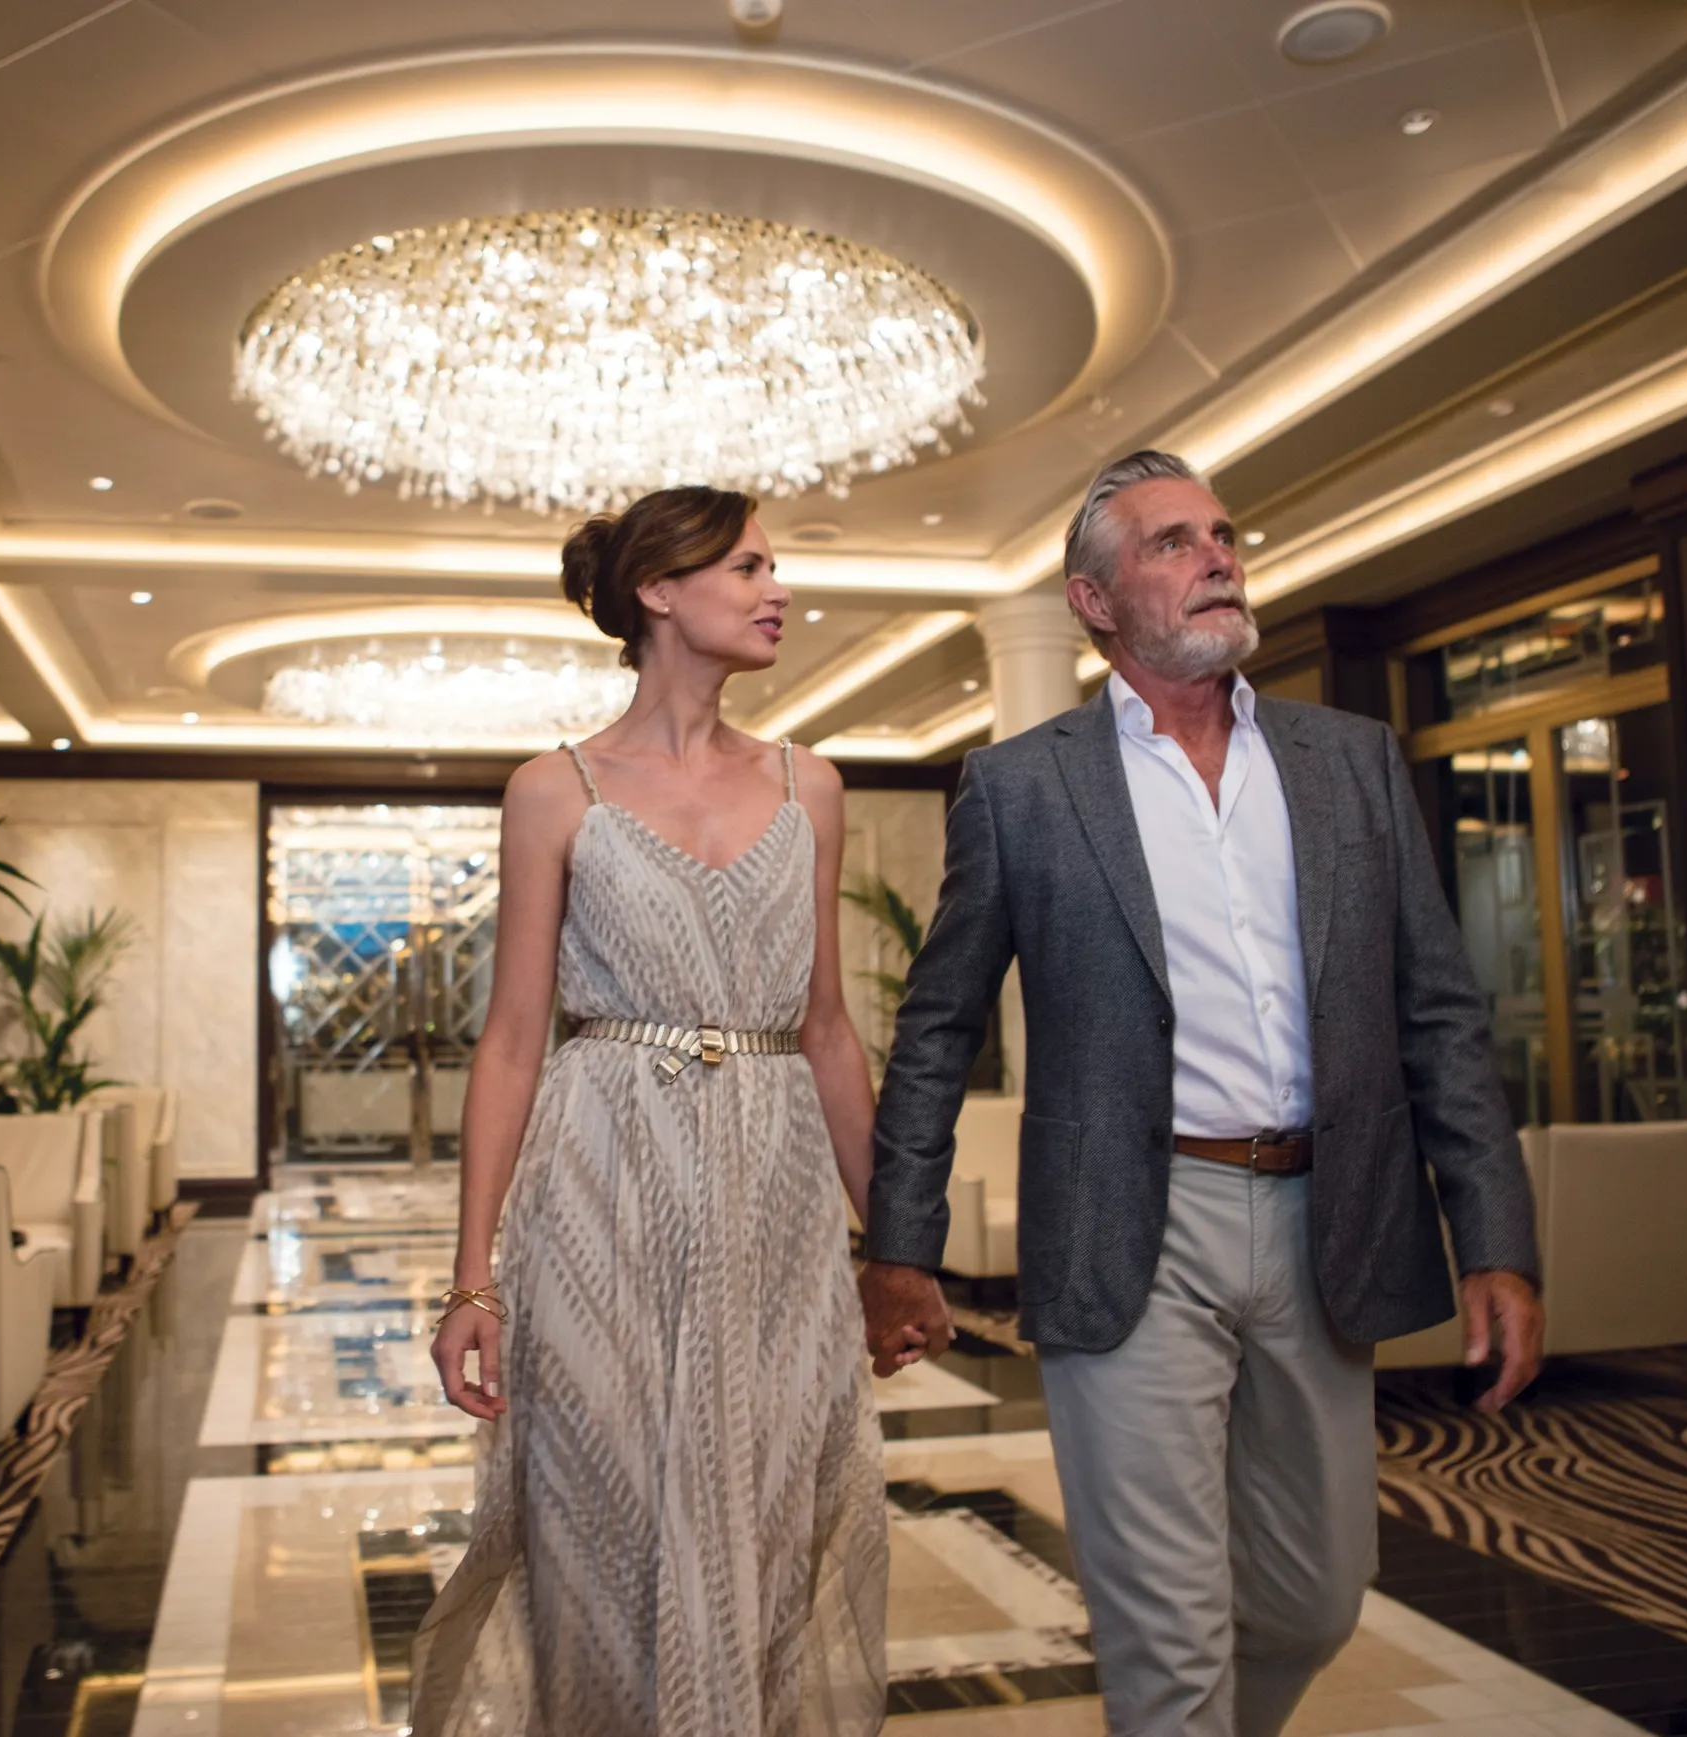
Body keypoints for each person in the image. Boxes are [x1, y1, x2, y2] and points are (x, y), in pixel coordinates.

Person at [859, 450, 1545, 1737]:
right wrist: (900, 1246)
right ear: (1092, 602)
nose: (1218, 556)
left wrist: (1493, 1236)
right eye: (1172, 542)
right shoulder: (1023, 787)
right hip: (1131, 1221)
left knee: (1313, 1597)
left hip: (1326, 1216)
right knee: (1166, 1636)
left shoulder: (1347, 762)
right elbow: (937, 1029)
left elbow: (1437, 1012)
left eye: (1222, 534)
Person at [412, 485, 889, 1737]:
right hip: (599, 1188)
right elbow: (514, 1040)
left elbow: (828, 1029)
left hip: (774, 1204)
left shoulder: (811, 785)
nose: (778, 589)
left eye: (773, 566)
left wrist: (891, 1242)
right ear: (658, 592)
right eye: (748, 566)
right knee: (597, 1524)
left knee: (773, 1512)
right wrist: (473, 1279)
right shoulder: (553, 790)